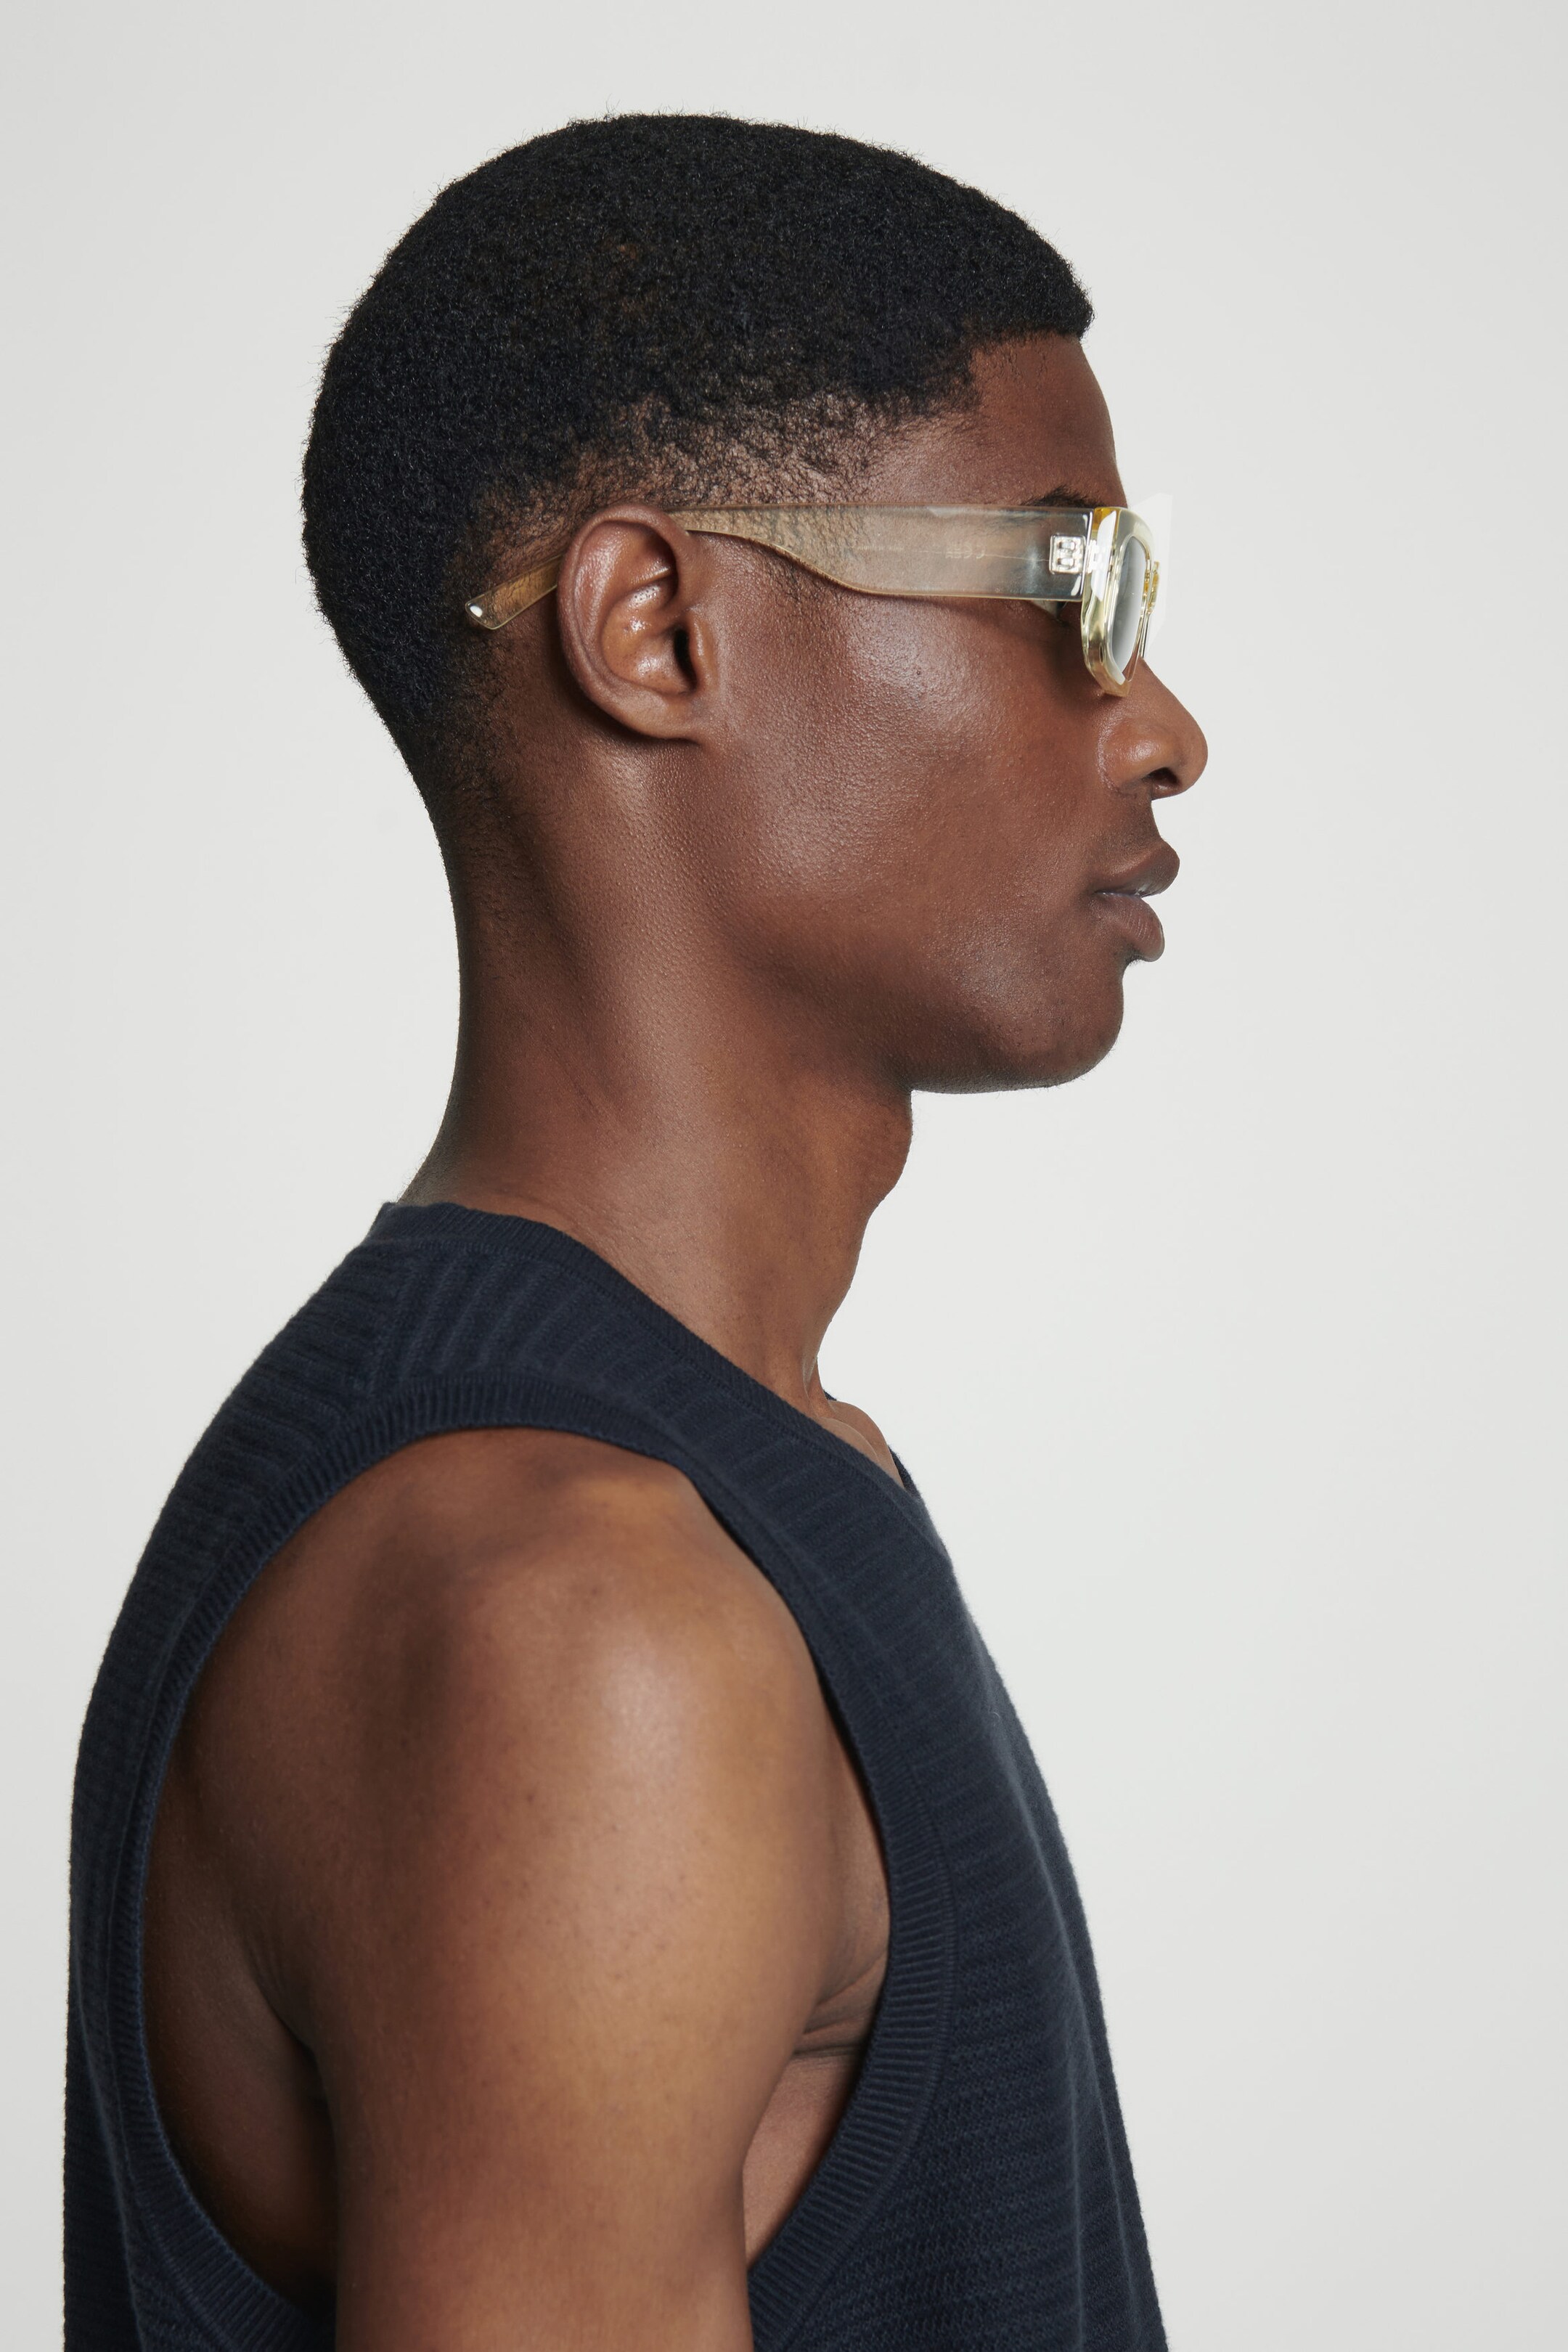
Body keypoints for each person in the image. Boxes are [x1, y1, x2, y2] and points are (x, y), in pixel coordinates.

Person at [65, 113, 1206, 2352]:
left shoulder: (727, 1492)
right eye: (1071, 587)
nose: (1164, 727)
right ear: (659, 630)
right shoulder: (581, 1625)